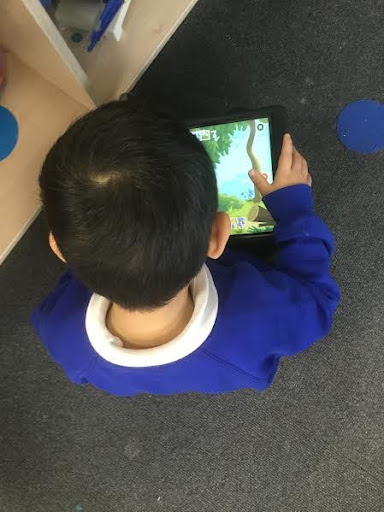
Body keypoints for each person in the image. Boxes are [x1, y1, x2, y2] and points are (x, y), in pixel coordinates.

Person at [32, 100, 339, 396]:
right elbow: (318, 300)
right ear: (218, 236)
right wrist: (294, 209)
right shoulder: (262, 317)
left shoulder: (59, 332)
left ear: (58, 250)